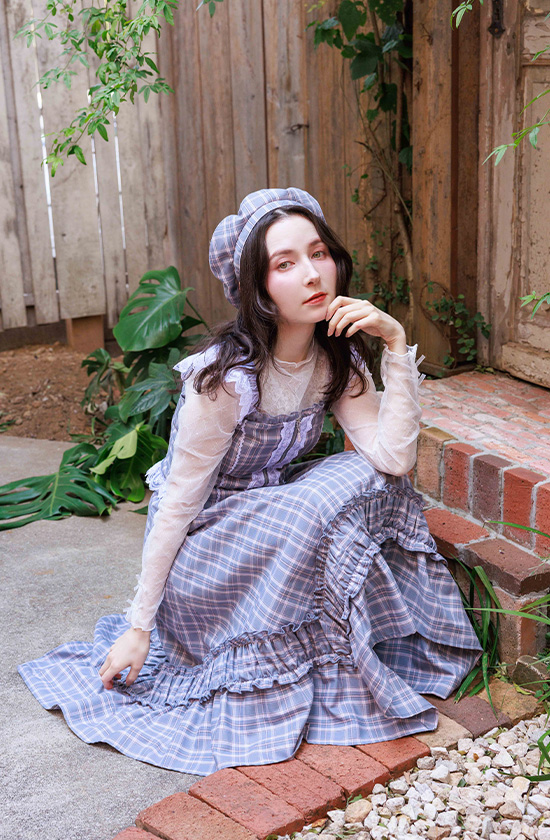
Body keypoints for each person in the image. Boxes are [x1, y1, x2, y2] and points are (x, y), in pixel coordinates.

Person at [19, 188, 481, 775]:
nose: (312, 274)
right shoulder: (225, 379)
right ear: (258, 289)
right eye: (285, 264)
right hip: (207, 547)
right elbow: (177, 504)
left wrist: (393, 344)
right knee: (314, 504)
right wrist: (139, 627)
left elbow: (393, 458)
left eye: (319, 253)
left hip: (271, 526)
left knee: (365, 478)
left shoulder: (335, 359)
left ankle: (349, 656)